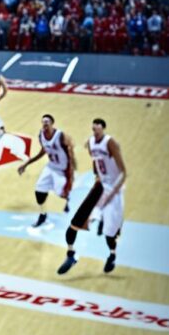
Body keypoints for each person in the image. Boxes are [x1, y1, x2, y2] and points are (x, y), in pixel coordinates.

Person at [58, 118, 127, 275]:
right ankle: (70, 255)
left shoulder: (111, 143)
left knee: (110, 232)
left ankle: (112, 256)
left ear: (103, 129)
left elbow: (123, 172)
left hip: (114, 189)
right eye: (93, 129)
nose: (94, 132)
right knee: (74, 224)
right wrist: (97, 175)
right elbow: (96, 161)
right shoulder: (91, 143)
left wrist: (113, 193)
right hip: (100, 186)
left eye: (97, 129)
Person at [17, 114, 75, 227]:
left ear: (52, 123)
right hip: (51, 167)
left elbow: (70, 152)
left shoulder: (60, 135)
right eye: (43, 121)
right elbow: (43, 151)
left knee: (61, 193)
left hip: (62, 170)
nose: (44, 123)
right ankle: (43, 215)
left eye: (47, 121)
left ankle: (70, 200)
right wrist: (27, 163)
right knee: (39, 190)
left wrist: (71, 173)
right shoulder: (41, 135)